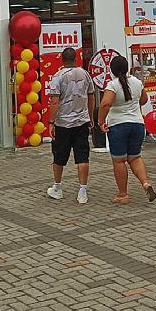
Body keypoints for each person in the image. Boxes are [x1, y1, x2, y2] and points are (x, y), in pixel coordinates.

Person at [98, 55, 156, 204]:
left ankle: (123, 194)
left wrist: (100, 122)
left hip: (118, 126)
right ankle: (145, 183)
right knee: (135, 157)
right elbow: (144, 100)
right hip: (137, 124)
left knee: (119, 161)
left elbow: (105, 104)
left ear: (112, 70)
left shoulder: (112, 85)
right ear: (127, 68)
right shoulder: (137, 82)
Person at [47, 47, 95, 204]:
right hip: (82, 121)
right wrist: (91, 117)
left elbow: (54, 102)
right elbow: (91, 97)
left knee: (59, 156)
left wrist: (51, 122)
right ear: (76, 58)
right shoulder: (85, 74)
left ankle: (57, 188)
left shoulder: (58, 77)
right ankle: (82, 191)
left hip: (63, 123)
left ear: (62, 60)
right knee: (82, 156)